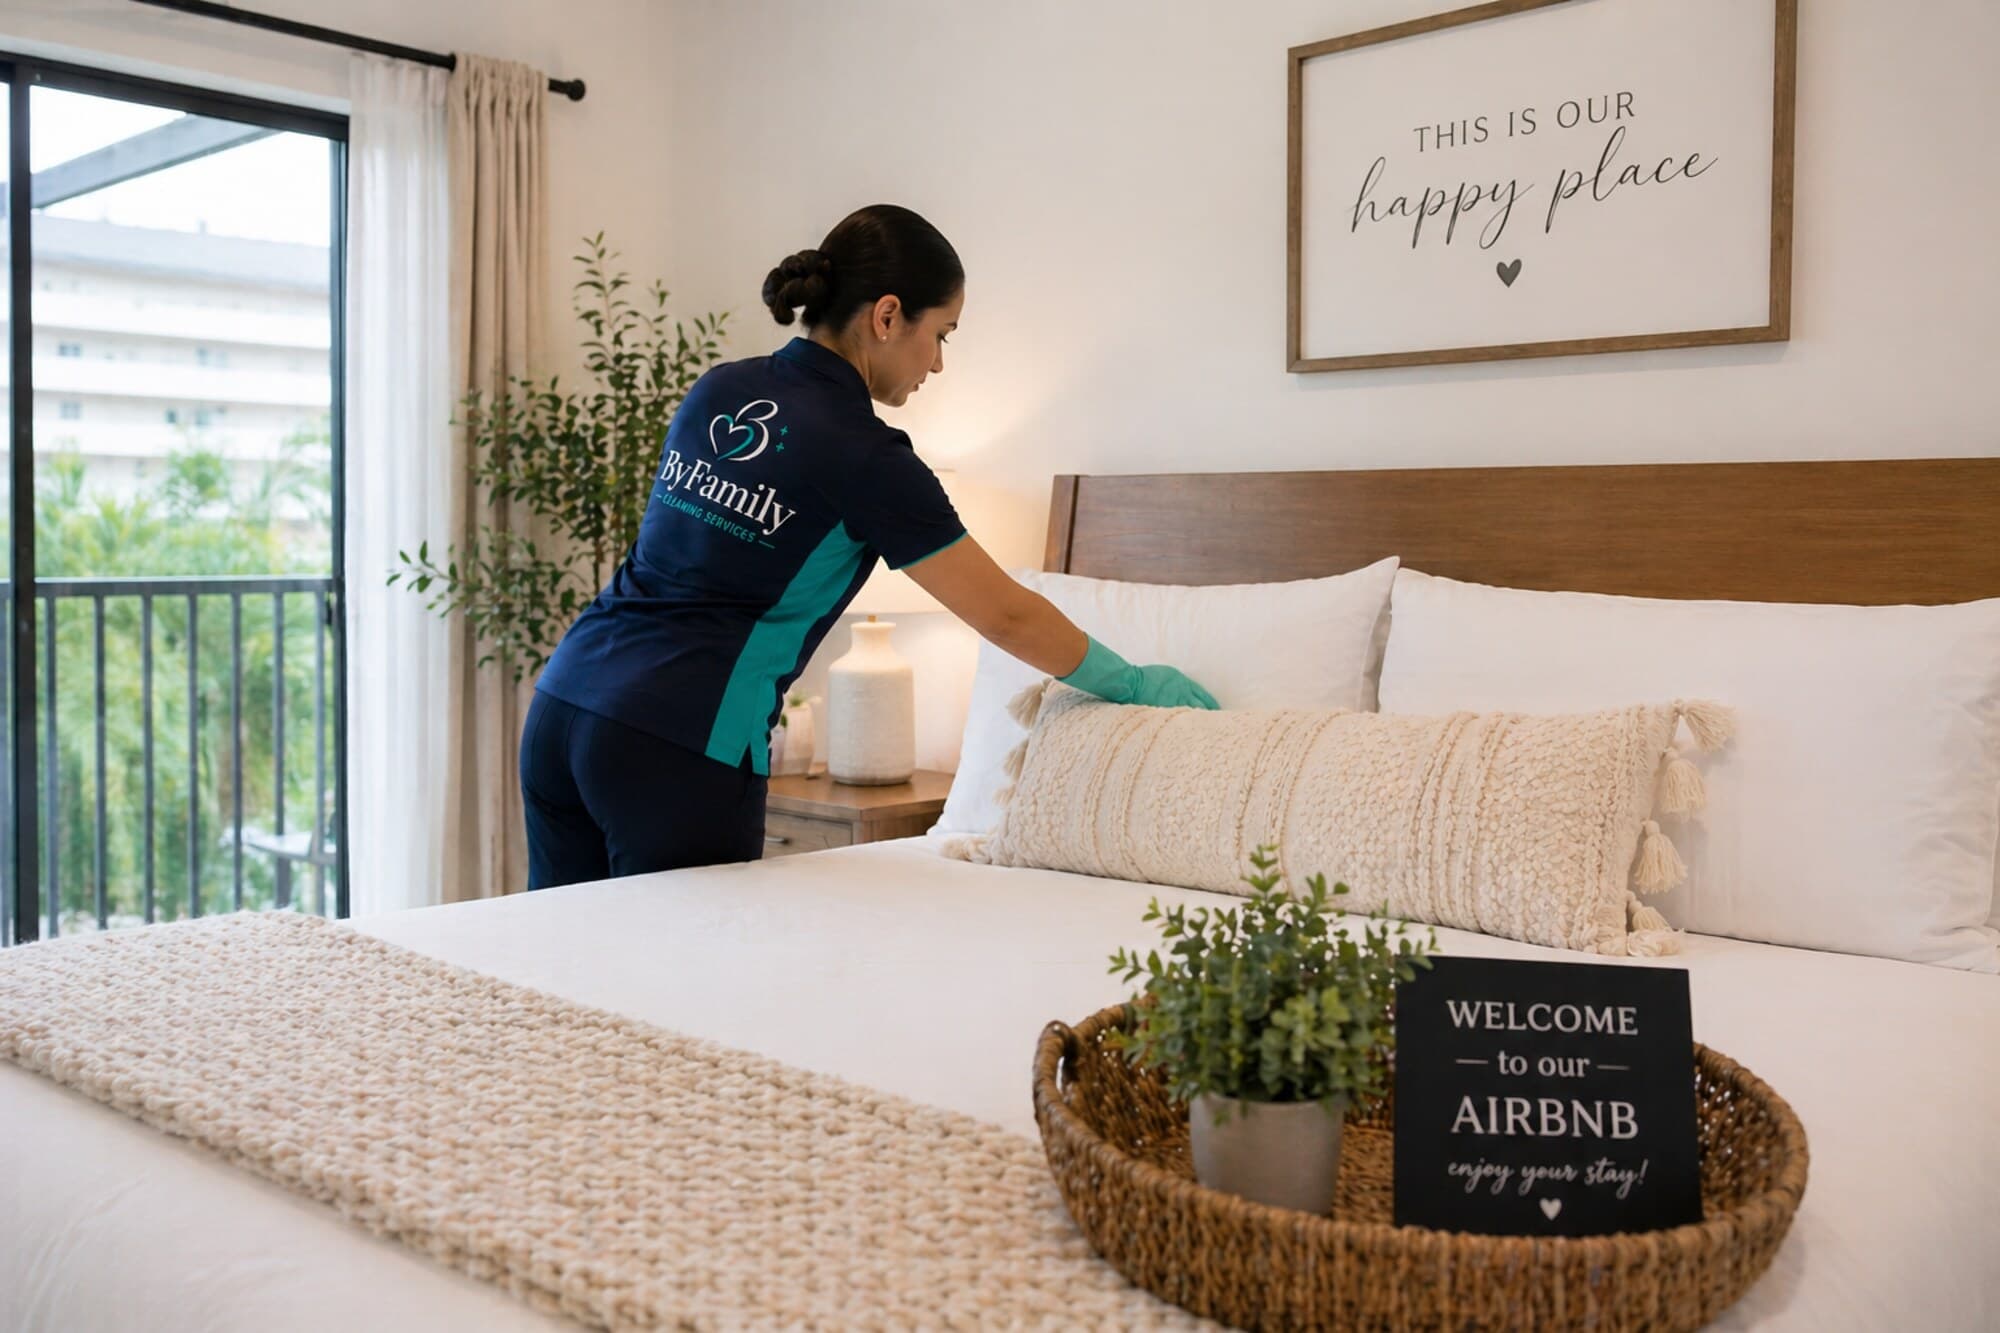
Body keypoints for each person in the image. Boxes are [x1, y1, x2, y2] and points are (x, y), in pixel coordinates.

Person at [521, 203, 1216, 889]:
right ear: (886, 317)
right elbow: (1005, 614)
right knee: (673, 982)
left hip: (563, 705)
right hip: (674, 745)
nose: (938, 363)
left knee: (554, 979)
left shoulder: (721, 386)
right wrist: (1132, 684)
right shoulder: (867, 456)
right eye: (941, 333)